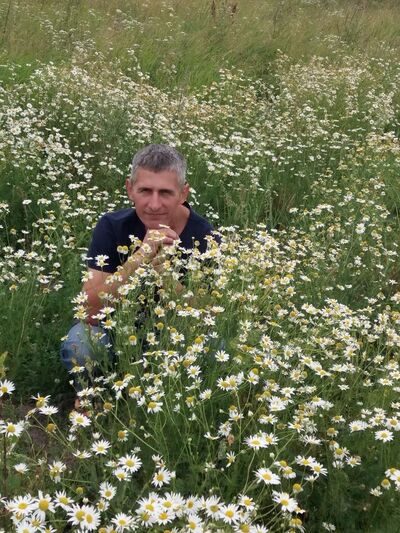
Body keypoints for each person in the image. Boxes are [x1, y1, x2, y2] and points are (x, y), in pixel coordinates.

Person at [60, 144, 215, 387]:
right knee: (80, 343)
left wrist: (166, 276)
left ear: (183, 193)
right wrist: (140, 257)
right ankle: (92, 395)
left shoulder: (203, 235)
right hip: (115, 330)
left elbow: (207, 318)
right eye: (145, 191)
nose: (154, 204)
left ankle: (173, 394)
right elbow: (88, 310)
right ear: (130, 189)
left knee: (215, 346)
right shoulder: (112, 226)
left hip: (172, 336)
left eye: (165, 193)